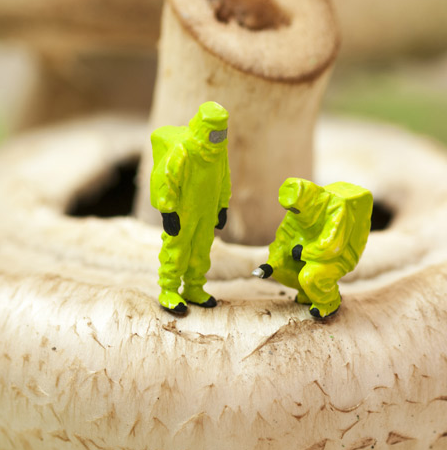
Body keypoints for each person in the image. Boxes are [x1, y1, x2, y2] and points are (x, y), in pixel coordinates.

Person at [150, 101, 230, 314]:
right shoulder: (183, 149)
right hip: (183, 211)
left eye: (222, 133)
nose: (219, 139)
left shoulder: (219, 153)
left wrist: (223, 205)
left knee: (202, 249)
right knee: (177, 247)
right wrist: (167, 211)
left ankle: (194, 287)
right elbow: (167, 179)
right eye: (215, 134)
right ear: (204, 129)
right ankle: (168, 289)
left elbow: (224, 178)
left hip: (207, 209)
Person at [252, 178, 373, 318]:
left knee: (310, 276)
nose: (290, 211)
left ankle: (329, 301)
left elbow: (331, 246)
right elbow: (283, 239)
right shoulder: (298, 211)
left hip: (335, 258)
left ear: (307, 201)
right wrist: (272, 263)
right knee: (280, 270)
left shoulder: (337, 208)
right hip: (309, 254)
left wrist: (303, 252)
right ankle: (307, 292)